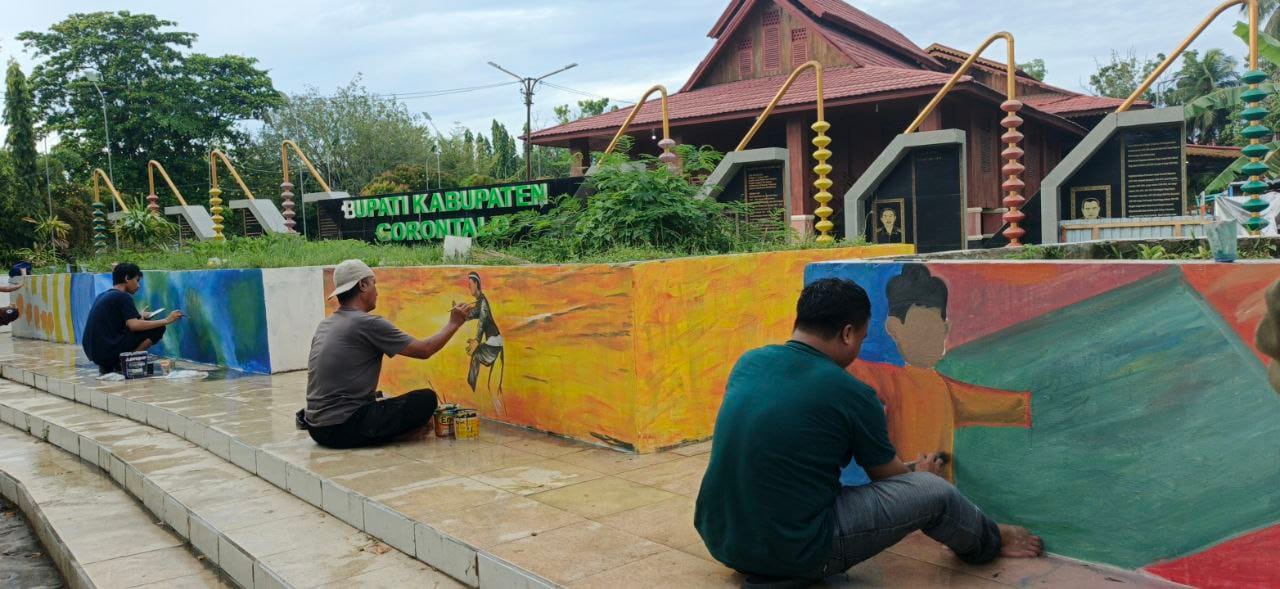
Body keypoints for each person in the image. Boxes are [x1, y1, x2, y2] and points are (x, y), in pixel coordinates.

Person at [695, 277, 1042, 585]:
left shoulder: (750, 362)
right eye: (861, 337)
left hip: (721, 539)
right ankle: (988, 541)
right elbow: (887, 478)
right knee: (935, 492)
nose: (859, 346)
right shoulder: (851, 392)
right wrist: (918, 473)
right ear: (848, 333)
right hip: (797, 551)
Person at [850, 265, 1029, 481]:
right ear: (894, 328)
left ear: (945, 329)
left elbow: (1011, 406)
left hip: (935, 495)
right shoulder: (889, 380)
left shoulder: (946, 389)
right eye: (922, 327)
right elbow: (850, 371)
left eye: (937, 328)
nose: (933, 337)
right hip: (905, 493)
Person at [300, 259, 472, 449]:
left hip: (317, 428)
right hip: (341, 428)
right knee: (425, 399)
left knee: (383, 397)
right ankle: (399, 434)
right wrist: (454, 323)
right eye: (374, 284)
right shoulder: (367, 323)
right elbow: (424, 350)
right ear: (363, 285)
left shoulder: (326, 323)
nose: (377, 291)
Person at [81, 263, 182, 375]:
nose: (138, 285)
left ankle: (110, 365)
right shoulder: (123, 296)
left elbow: (118, 322)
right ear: (127, 278)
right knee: (158, 329)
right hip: (107, 352)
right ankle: (125, 363)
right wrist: (167, 320)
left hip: (96, 353)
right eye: (137, 280)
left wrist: (140, 316)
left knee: (146, 325)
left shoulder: (104, 295)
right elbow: (134, 326)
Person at [463, 272, 504, 409]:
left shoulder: (483, 302)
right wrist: (461, 312)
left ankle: (472, 393)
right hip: (494, 344)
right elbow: (472, 314)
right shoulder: (479, 302)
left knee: (476, 355)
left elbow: (482, 322)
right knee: (492, 389)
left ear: (476, 283)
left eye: (470, 285)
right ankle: (472, 390)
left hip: (495, 343)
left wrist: (476, 340)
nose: (469, 288)